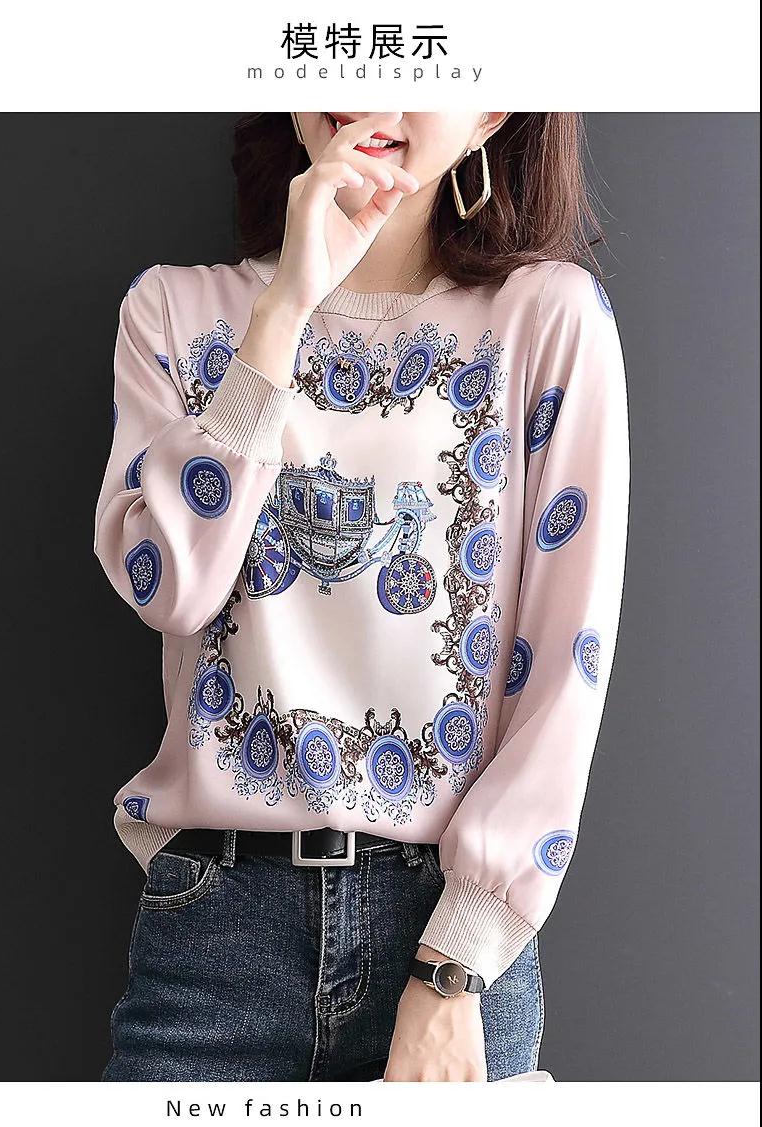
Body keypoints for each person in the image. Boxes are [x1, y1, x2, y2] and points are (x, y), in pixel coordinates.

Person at [94, 111, 630, 1082]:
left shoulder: (546, 321)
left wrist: (454, 966)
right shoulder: (174, 314)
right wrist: (284, 310)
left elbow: (568, 665)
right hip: (214, 938)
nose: (369, 87)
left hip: (446, 942)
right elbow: (167, 586)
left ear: (490, 109)